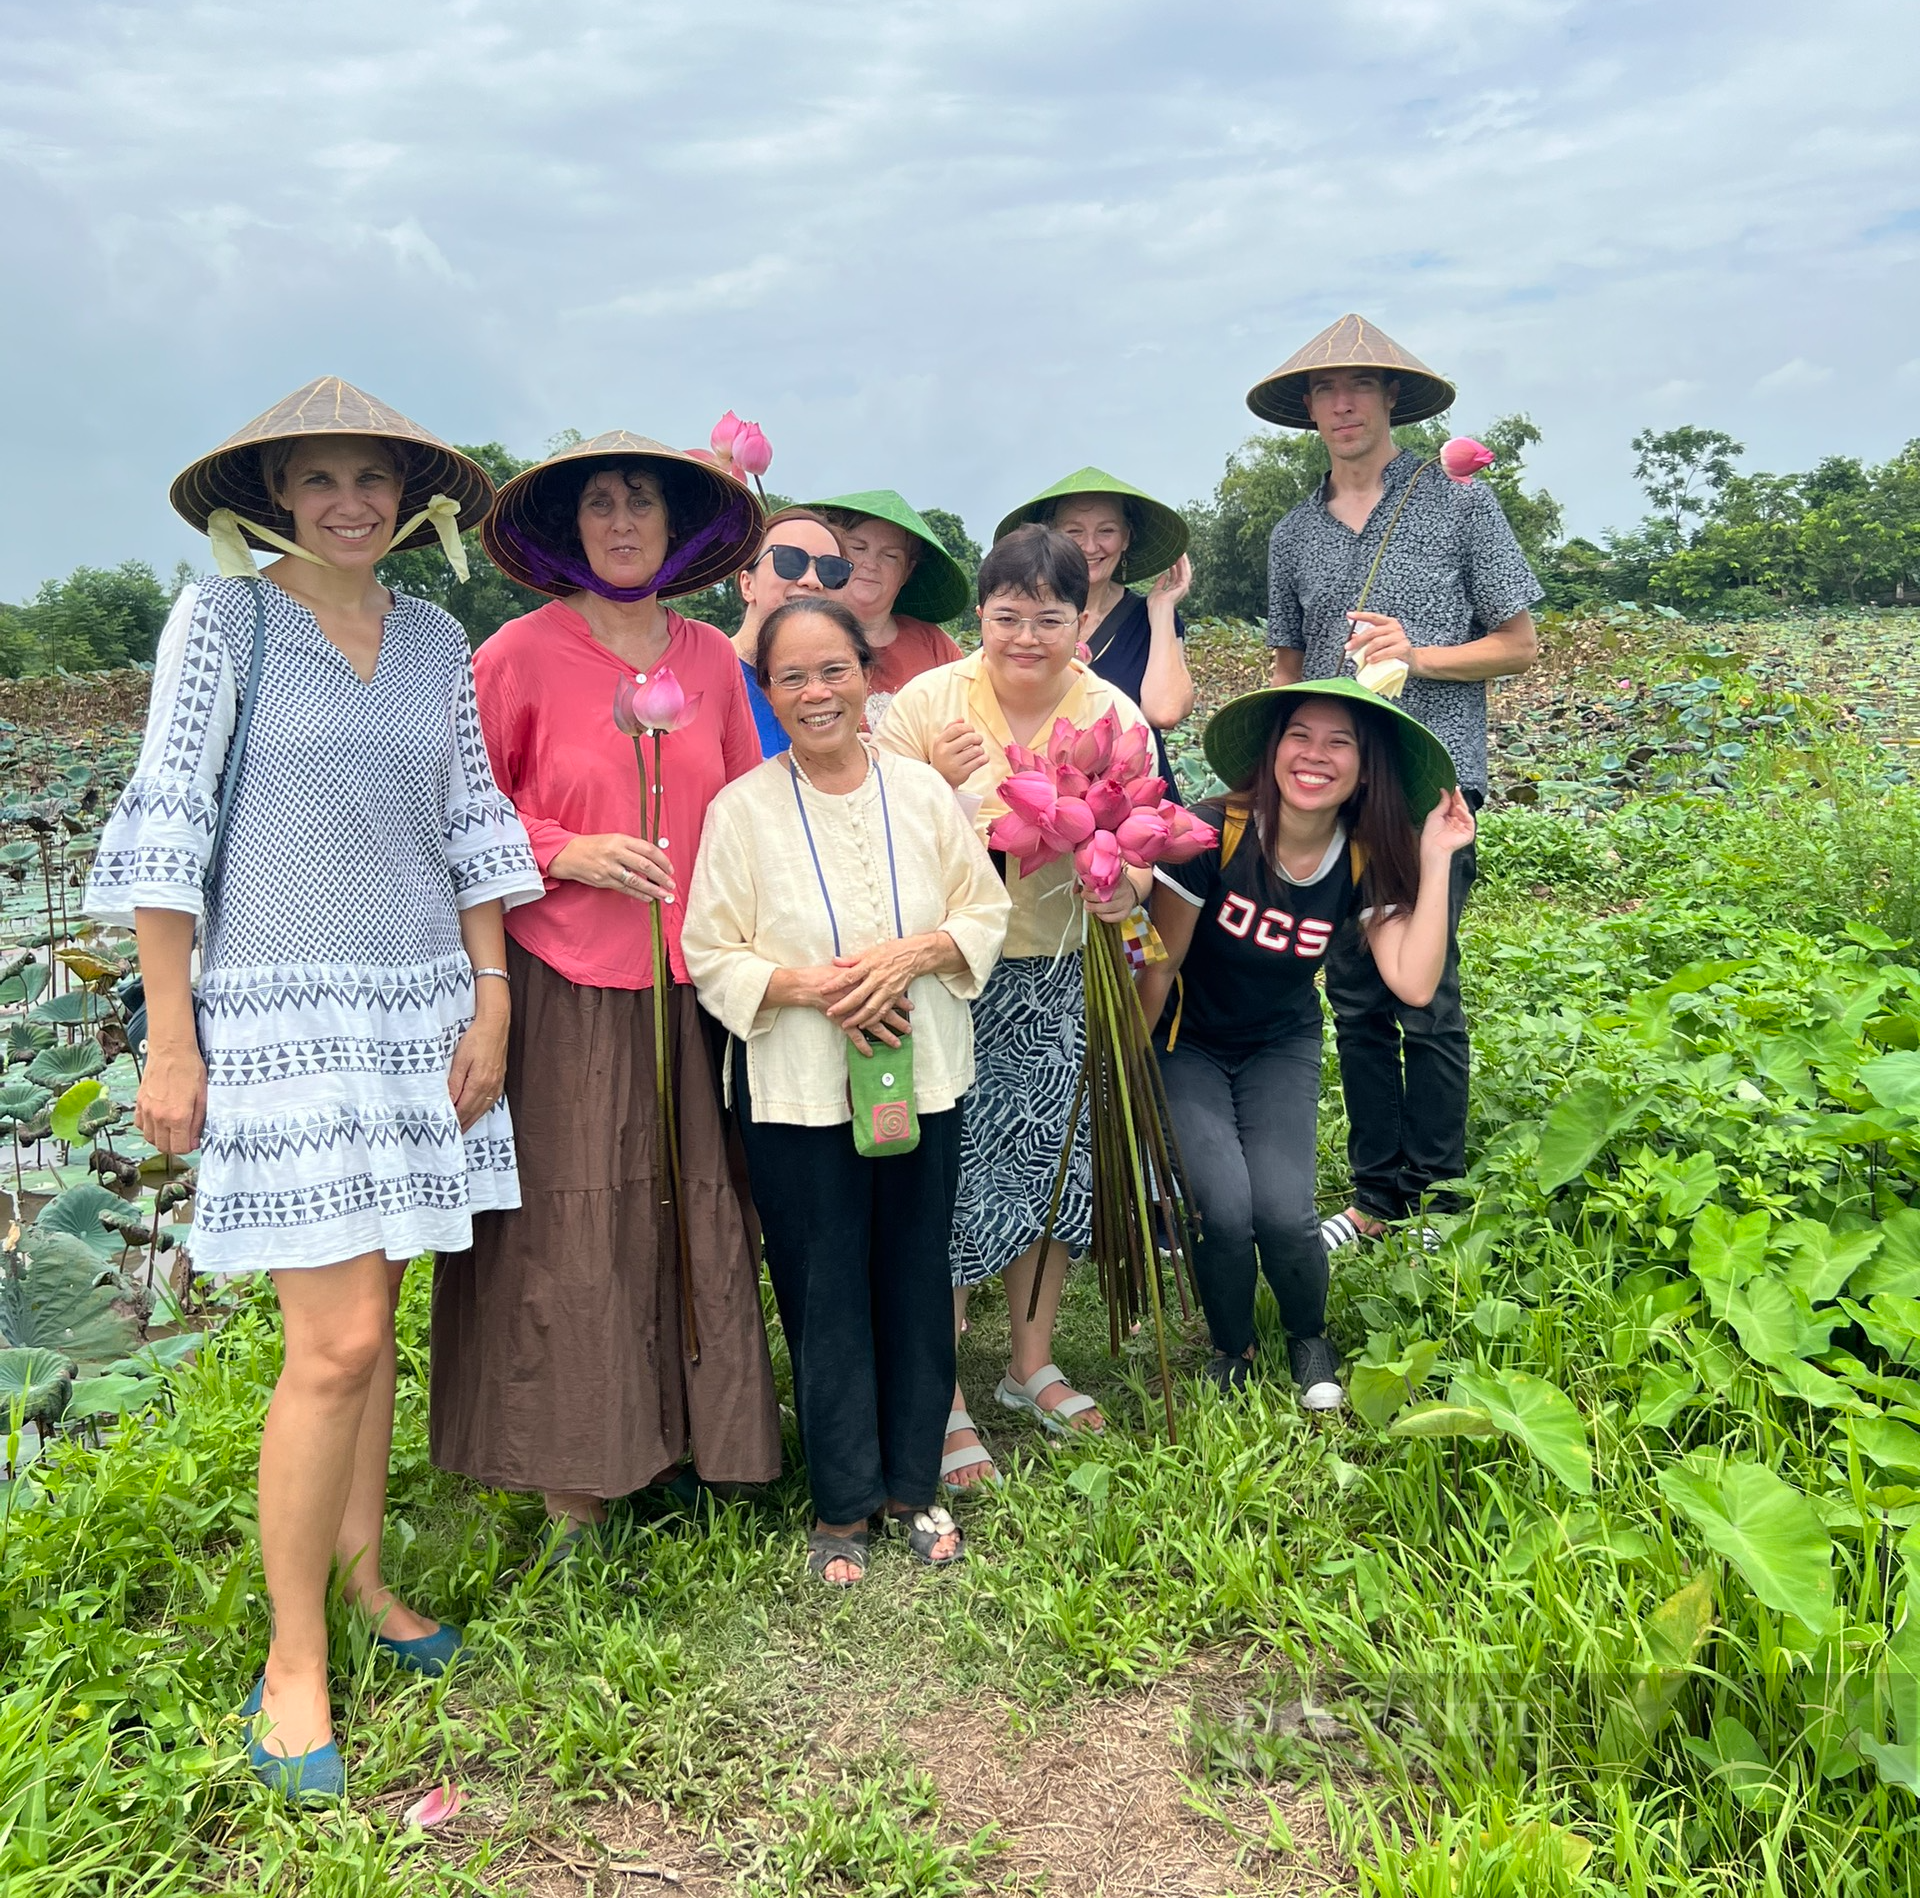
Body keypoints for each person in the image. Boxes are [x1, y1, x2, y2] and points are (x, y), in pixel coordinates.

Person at [86, 377, 540, 1799]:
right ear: (275, 492)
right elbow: (170, 824)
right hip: (278, 1017)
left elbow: (467, 820)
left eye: (374, 479)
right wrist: (173, 1040)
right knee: (331, 1344)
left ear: (411, 498)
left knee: (378, 1320)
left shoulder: (434, 636)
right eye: (321, 478)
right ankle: (293, 1660)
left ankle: (363, 1578)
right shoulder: (224, 618)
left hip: (420, 1012)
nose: (352, 502)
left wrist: (494, 996)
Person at [431, 430, 781, 1558]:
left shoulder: (716, 664)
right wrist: (567, 848)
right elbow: (456, 816)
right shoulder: (517, 656)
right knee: (572, 1214)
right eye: (601, 504)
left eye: (643, 503)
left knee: (689, 1201)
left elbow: (746, 810)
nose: (623, 521)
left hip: (692, 979)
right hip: (564, 975)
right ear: (570, 528)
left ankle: (687, 1443)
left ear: (676, 528)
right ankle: (576, 1479)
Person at [684, 598, 1011, 1584]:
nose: (816, 693)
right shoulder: (739, 809)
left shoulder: (920, 795)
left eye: (834, 669)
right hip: (797, 1090)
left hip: (924, 1074)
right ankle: (843, 1500)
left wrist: (910, 954)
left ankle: (915, 1483)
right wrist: (817, 986)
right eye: (792, 677)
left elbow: (982, 910)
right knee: (824, 1289)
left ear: (870, 675)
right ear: (771, 692)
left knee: (915, 1276)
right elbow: (710, 951)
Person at [1251, 315, 1541, 1247]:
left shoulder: (1457, 502)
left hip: (1429, 781)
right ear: (1308, 410)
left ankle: (1441, 1195)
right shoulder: (1292, 533)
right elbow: (1286, 670)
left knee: (1426, 992)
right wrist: (1279, 783)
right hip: (1332, 790)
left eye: (1360, 389)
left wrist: (1418, 657)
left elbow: (1519, 646)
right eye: (1325, 392)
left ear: (1389, 401)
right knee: (1355, 993)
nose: (1342, 405)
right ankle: (1378, 1198)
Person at [877, 525, 1152, 1486]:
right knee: (947, 1179)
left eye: (1050, 616)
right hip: (948, 973)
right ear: (978, 617)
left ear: (1085, 620)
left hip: (1056, 967)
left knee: (1047, 1166)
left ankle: (1028, 1365)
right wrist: (943, 791)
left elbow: (1141, 851)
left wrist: (1122, 889)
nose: (1026, 636)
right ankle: (944, 1390)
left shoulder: (1113, 713)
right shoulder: (925, 704)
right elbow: (871, 841)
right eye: (1006, 615)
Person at [1138, 681, 1475, 1406]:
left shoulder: (1363, 855)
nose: (1315, 756)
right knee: (1224, 1208)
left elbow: (1414, 985)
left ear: (1364, 767)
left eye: (1339, 743)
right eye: (1300, 735)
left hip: (1279, 1044)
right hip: (1186, 1042)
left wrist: (1439, 856)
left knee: (1286, 1213)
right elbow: (1159, 967)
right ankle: (1232, 1345)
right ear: (1273, 748)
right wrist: (1126, 1074)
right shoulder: (1210, 836)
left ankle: (1307, 1337)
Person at [994, 468, 1195, 783]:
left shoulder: (1149, 618)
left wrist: (1162, 609)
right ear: (1051, 536)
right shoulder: (1019, 620)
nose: (1089, 547)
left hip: (1132, 801)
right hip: (1040, 795)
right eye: (1074, 532)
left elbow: (1165, 712)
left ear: (1126, 538)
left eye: (1106, 531)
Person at [804, 491, 970, 729]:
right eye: (858, 548)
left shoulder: (936, 645)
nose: (870, 564)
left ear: (907, 571)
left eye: (890, 556)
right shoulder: (800, 634)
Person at [728, 506, 854, 757]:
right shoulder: (705, 674)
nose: (812, 580)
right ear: (747, 584)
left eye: (831, 570)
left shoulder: (845, 684)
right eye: (788, 561)